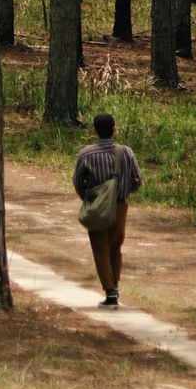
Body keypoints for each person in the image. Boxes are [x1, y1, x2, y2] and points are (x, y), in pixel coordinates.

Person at [72, 112, 142, 308]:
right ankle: (115, 288)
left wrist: (88, 197)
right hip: (120, 205)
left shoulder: (85, 154)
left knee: (100, 248)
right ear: (114, 129)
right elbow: (137, 180)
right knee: (115, 248)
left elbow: (78, 182)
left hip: (96, 206)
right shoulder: (126, 152)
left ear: (94, 130)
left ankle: (110, 291)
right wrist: (123, 193)